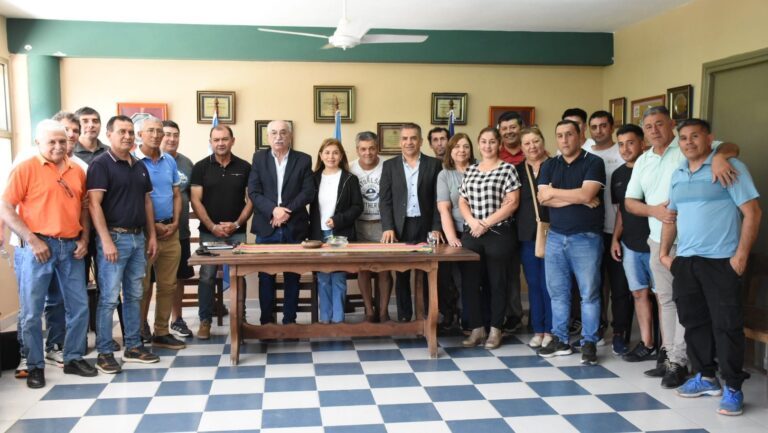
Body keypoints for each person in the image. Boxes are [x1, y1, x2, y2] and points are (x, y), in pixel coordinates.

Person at [625, 106, 739, 388]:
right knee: (665, 300)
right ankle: (671, 356)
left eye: (659, 124)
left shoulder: (689, 147)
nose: (654, 130)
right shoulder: (643, 160)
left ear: (671, 125)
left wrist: (722, 156)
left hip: (691, 245)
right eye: (649, 126)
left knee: (689, 306)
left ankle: (682, 361)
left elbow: (730, 145)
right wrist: (654, 211)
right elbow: (630, 202)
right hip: (658, 240)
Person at [660, 118, 761, 416]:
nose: (689, 142)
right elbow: (672, 215)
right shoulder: (678, 173)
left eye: (695, 136)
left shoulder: (729, 167)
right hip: (686, 262)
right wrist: (666, 255)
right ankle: (705, 376)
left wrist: (741, 256)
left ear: (710, 139)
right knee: (694, 323)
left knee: (726, 325)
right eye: (684, 138)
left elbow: (753, 213)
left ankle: (732, 387)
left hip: (721, 261)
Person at [0, 120, 96, 388]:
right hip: (37, 248)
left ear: (68, 143)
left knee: (78, 307)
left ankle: (73, 357)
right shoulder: (26, 169)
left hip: (71, 247)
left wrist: (84, 238)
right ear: (38, 144)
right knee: (32, 311)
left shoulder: (77, 171)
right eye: (51, 141)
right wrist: (31, 239)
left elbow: (85, 208)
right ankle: (34, 365)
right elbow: (6, 207)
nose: (57, 146)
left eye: (61, 141)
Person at [88, 115, 159, 374]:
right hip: (114, 239)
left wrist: (151, 235)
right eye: (122, 132)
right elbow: (94, 204)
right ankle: (105, 352)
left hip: (138, 238)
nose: (128, 136)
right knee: (107, 298)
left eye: (131, 132)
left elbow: (147, 202)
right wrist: (105, 240)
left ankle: (133, 346)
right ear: (109, 135)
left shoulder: (139, 165)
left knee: (135, 295)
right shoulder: (101, 165)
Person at [537, 119, 605, 365]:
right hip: (555, 236)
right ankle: (561, 340)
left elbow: (587, 193)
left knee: (589, 294)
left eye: (569, 134)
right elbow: (543, 199)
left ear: (580, 135)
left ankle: (589, 342)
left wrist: (561, 194)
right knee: (558, 293)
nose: (564, 140)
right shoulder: (549, 164)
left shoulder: (593, 162)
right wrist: (579, 198)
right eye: (560, 135)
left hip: (585, 238)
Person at [459, 127, 520, 349]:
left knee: (497, 283)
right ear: (478, 144)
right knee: (471, 283)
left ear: (499, 144)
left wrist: (485, 223)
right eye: (483, 141)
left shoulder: (508, 169)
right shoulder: (471, 170)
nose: (487, 146)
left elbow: (512, 203)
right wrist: (474, 222)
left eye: (492, 142)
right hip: (472, 233)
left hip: (498, 234)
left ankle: (496, 330)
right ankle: (477, 329)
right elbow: (462, 200)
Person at [248, 120, 314, 325]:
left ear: (290, 136)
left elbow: (308, 191)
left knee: (292, 276)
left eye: (283, 132)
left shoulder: (303, 159)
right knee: (265, 277)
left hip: (294, 226)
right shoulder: (259, 158)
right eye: (274, 133)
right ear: (268, 137)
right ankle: (267, 323)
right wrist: (274, 210)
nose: (279, 137)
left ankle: (289, 322)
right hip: (267, 227)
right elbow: (254, 192)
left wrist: (287, 211)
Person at [191, 125, 252, 337]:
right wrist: (212, 226)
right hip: (209, 233)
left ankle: (241, 317)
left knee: (239, 275)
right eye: (216, 140)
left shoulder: (245, 167)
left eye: (224, 139)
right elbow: (195, 200)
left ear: (232, 141)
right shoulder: (200, 167)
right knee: (207, 276)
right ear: (211, 142)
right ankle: (205, 321)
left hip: (237, 232)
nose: (220, 143)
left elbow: (251, 199)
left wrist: (236, 224)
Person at [379, 123, 443, 322]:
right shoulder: (390, 166)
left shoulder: (434, 165)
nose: (409, 142)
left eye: (413, 138)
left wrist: (435, 227)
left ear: (421, 141)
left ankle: (423, 316)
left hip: (425, 226)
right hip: (400, 226)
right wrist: (388, 226)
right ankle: (405, 317)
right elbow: (385, 200)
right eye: (405, 138)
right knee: (402, 272)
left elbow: (437, 201)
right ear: (400, 142)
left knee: (425, 272)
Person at [134, 117, 185, 350]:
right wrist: (152, 226)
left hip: (170, 232)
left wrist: (174, 223)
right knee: (142, 286)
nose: (156, 135)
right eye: (150, 131)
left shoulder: (169, 162)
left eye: (159, 131)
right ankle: (137, 331)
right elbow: (137, 201)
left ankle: (161, 331)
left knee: (168, 285)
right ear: (140, 134)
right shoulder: (133, 161)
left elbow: (176, 195)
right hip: (145, 234)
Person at [585, 110, 632, 355]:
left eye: (603, 126)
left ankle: (620, 332)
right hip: (592, 228)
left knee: (620, 286)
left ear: (611, 127)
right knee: (594, 284)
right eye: (594, 126)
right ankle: (597, 328)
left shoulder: (622, 152)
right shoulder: (585, 151)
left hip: (619, 228)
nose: (599, 130)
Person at [610, 124, 656, 362]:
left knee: (662, 298)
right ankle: (647, 344)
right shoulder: (618, 175)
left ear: (642, 143)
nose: (625, 148)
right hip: (630, 244)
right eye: (621, 144)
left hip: (657, 243)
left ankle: (667, 349)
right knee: (639, 293)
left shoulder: (654, 168)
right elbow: (621, 212)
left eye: (630, 142)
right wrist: (616, 238)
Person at [309, 138, 362, 323]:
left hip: (341, 235)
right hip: (319, 235)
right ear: (321, 155)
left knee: (338, 279)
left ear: (341, 156)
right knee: (323, 279)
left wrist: (338, 220)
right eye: (327, 152)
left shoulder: (349, 178)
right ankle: (325, 320)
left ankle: (339, 321)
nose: (331, 156)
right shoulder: (313, 178)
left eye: (335, 153)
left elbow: (357, 207)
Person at [349, 131, 393, 322]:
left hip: (383, 225)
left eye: (372, 148)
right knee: (363, 269)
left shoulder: (389, 167)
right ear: (357, 150)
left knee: (384, 269)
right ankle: (369, 311)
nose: (368, 153)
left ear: (377, 148)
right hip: (359, 224)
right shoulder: (349, 168)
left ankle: (383, 311)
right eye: (363, 149)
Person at [516, 126, 552, 348]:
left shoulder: (556, 165)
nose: (532, 146)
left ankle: (551, 330)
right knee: (534, 283)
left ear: (543, 141)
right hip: (527, 235)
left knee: (552, 284)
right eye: (527, 143)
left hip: (554, 232)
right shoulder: (517, 171)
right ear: (521, 148)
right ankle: (538, 329)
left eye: (536, 141)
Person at [160, 120, 195, 338]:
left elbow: (193, 196)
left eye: (175, 134)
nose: (171, 139)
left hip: (180, 231)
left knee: (178, 278)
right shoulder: (145, 162)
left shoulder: (187, 163)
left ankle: (177, 319)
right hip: (152, 232)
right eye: (167, 134)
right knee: (150, 281)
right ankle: (148, 324)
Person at [436, 132, 473, 330]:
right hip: (455, 232)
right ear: (450, 151)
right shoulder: (444, 174)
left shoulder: (478, 170)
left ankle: (469, 319)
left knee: (470, 278)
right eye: (457, 146)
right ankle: (451, 315)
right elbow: (444, 207)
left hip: (478, 231)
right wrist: (451, 238)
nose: (461, 150)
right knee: (449, 278)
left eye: (465, 146)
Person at [496, 111, 526, 332]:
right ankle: (512, 315)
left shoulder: (533, 151)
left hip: (528, 222)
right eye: (504, 129)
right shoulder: (495, 155)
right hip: (502, 224)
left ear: (521, 127)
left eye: (512, 127)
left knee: (535, 275)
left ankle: (538, 318)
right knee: (507, 273)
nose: (508, 132)